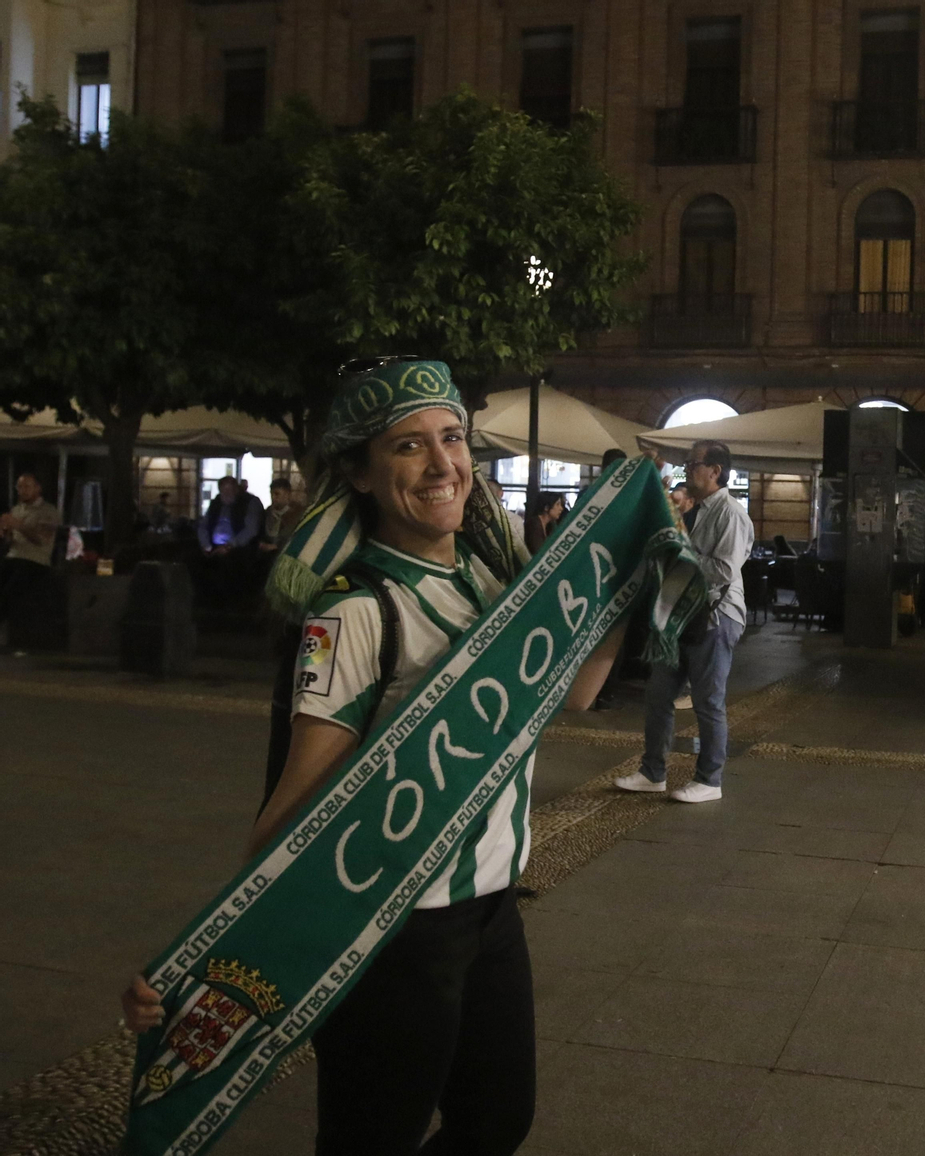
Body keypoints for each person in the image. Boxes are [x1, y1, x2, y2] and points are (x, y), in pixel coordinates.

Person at [121, 358, 615, 1155]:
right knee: (370, 1138)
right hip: (393, 931)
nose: (442, 464)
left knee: (497, 1118)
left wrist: (628, 578)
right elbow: (295, 798)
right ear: (358, 471)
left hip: (491, 909)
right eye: (407, 447)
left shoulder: (490, 582)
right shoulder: (355, 612)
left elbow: (577, 693)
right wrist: (202, 954)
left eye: (451, 438)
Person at [616, 439, 753, 803]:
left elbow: (724, 569)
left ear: (715, 471)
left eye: (693, 464)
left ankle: (710, 779)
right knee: (658, 694)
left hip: (714, 615)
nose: (687, 469)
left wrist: (682, 556)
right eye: (687, 463)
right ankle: (652, 772)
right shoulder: (693, 510)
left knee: (708, 701)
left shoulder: (730, 513)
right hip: (680, 615)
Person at [0, 472, 59, 625]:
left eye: (27, 486)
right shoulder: (17, 509)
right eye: (19, 486)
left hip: (34, 560)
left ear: (38, 488)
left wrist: (18, 525)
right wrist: (6, 531)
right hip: (13, 557)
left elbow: (42, 539)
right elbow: (10, 541)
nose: (22, 490)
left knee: (8, 593)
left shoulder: (48, 511)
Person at [198, 476, 261, 555]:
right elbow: (203, 525)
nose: (226, 494)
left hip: (239, 551)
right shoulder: (216, 503)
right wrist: (206, 545)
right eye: (223, 491)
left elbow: (251, 530)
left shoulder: (249, 502)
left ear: (236, 490)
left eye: (229, 490)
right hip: (213, 548)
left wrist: (230, 545)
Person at [261, 477, 305, 553]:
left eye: (277, 494)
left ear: (287, 494)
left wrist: (277, 546)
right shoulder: (266, 513)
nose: (273, 497)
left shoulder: (297, 513)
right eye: (271, 494)